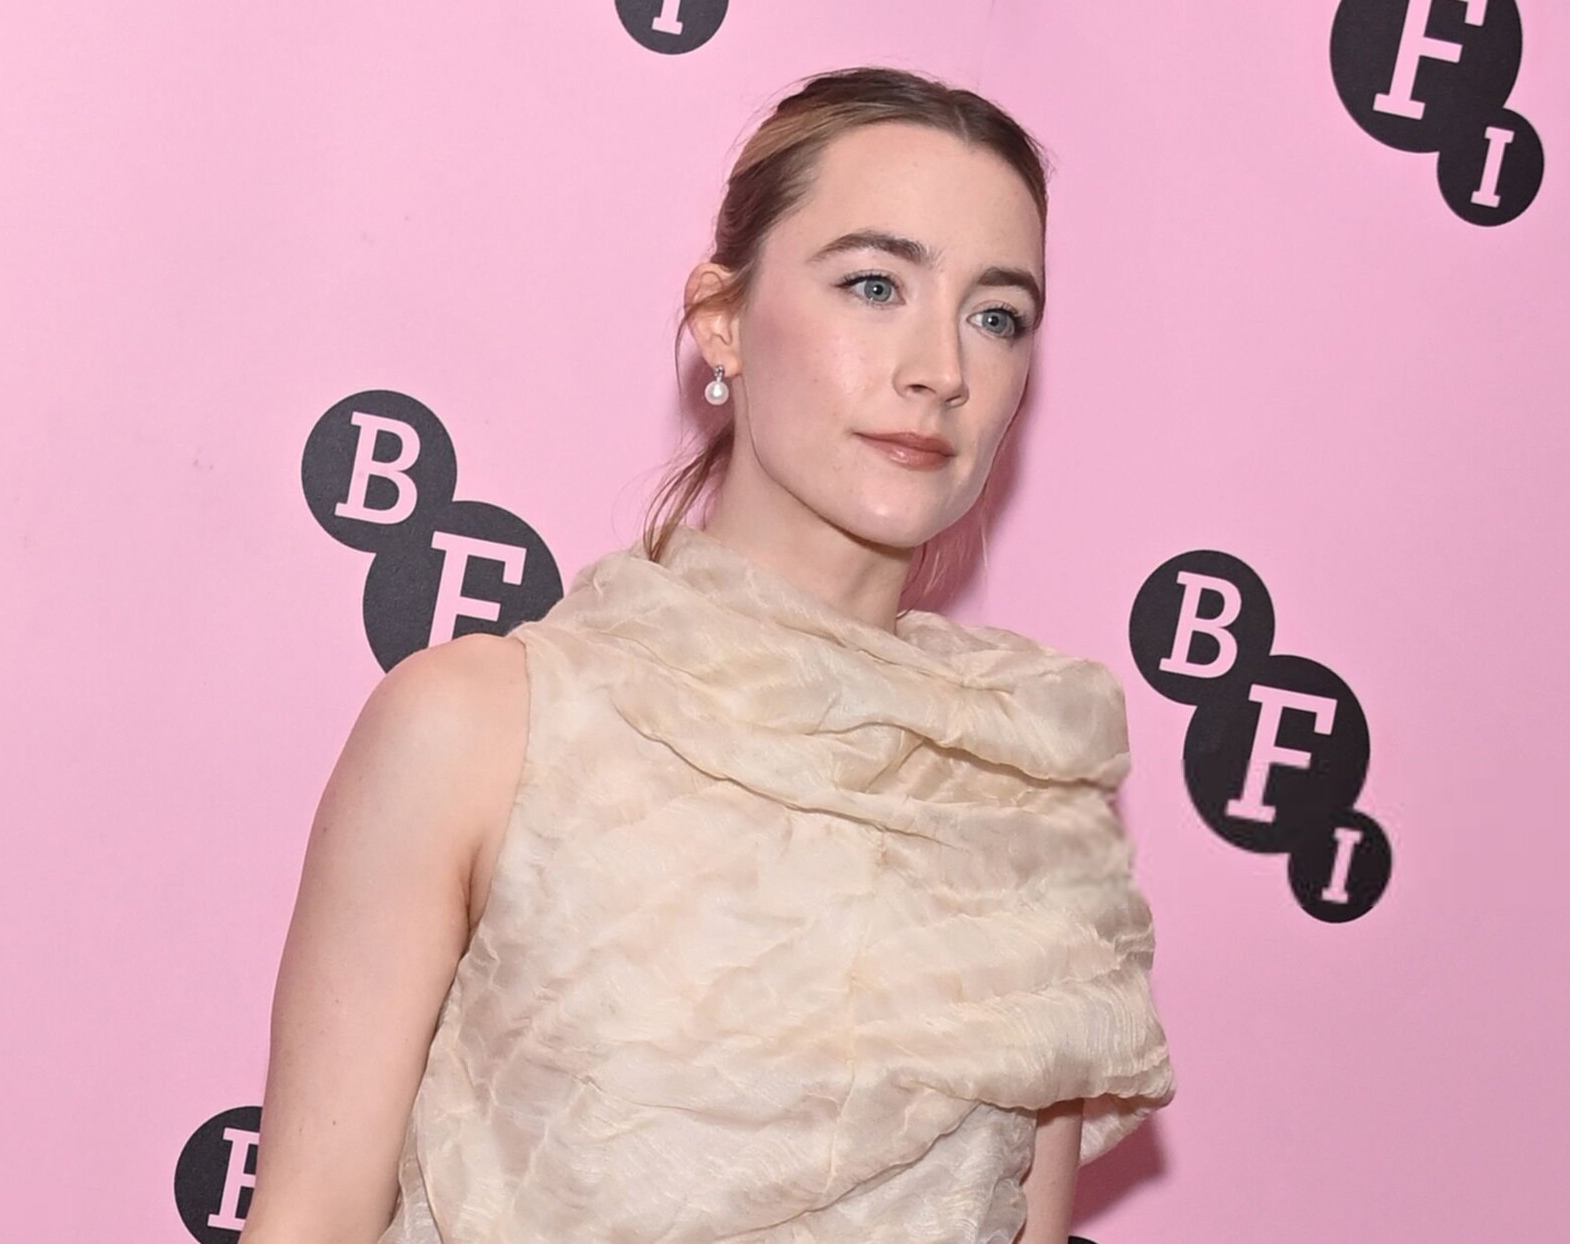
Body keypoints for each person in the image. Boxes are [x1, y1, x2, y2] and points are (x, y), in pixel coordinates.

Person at [241, 66, 1174, 1244]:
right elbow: (311, 1216)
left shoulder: (1028, 786)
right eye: (874, 284)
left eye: (997, 316)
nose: (940, 367)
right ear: (721, 318)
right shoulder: (485, 727)